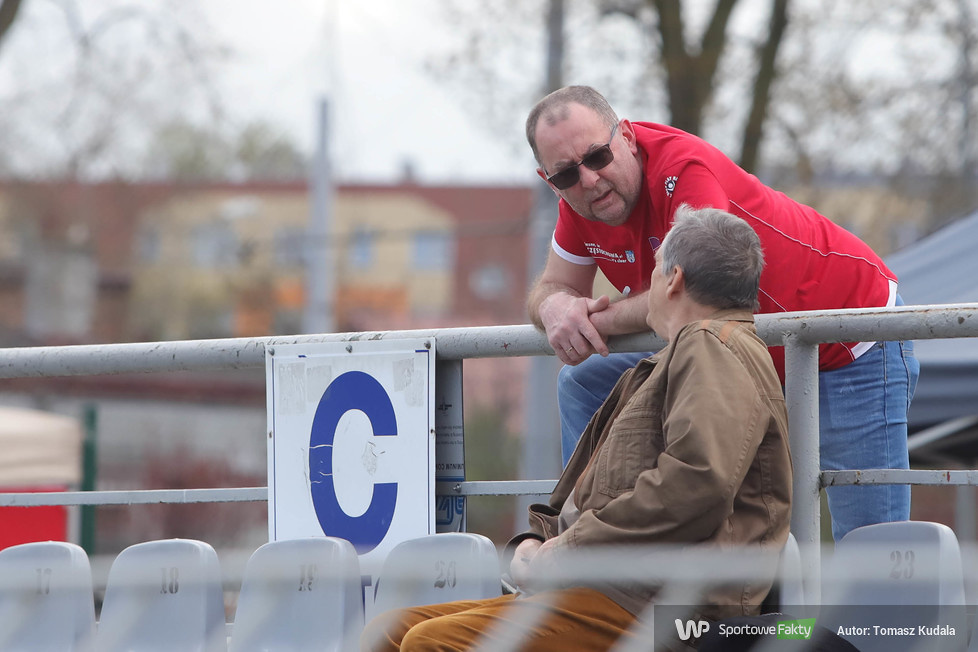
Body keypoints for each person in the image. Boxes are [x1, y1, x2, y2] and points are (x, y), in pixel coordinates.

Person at [361, 206, 792, 652]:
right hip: (606, 592)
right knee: (387, 632)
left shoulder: (711, 345)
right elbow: (609, 492)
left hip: (658, 609)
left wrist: (569, 548)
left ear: (674, 279)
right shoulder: (686, 354)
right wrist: (537, 541)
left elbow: (699, 479)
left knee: (434, 643)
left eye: (657, 263)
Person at [526, 85, 919, 542]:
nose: (589, 180)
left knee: (873, 547)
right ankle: (592, 541)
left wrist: (593, 321)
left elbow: (691, 282)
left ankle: (886, 618)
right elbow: (553, 286)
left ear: (628, 137)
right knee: (582, 380)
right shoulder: (579, 204)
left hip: (849, 338)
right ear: (548, 179)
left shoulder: (683, 168)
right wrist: (554, 307)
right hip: (739, 351)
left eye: (597, 157)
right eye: (567, 175)